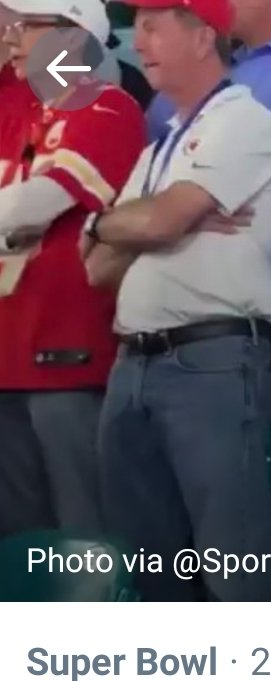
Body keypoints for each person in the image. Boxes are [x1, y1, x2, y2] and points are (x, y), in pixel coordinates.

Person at [81, 0, 271, 601]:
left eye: (153, 25)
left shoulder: (243, 119)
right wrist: (119, 225)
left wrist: (125, 223)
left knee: (232, 564)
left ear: (202, 39)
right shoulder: (159, 149)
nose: (137, 40)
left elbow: (160, 221)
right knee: (150, 570)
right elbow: (95, 266)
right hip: (133, 363)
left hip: (209, 360)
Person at [146, 0, 271, 420]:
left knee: (234, 447)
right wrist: (164, 208)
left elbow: (201, 171)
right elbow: (146, 172)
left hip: (264, 296)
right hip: (178, 288)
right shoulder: (211, 66)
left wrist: (170, 209)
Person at [0, 0, 145, 539]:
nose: (11, 37)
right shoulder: (18, 110)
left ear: (72, 35)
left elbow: (31, 207)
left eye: (25, 25)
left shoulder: (106, 106)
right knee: (21, 540)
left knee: (84, 534)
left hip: (68, 358)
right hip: (8, 356)